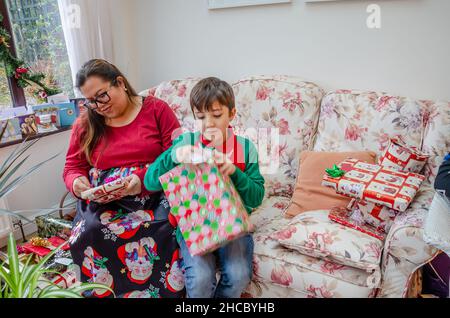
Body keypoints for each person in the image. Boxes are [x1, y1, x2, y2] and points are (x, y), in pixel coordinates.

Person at [63, 59, 184, 298]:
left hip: (153, 190)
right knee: (89, 230)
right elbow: (72, 166)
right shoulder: (86, 123)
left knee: (166, 225)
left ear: (120, 83)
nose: (98, 106)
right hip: (104, 199)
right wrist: (77, 182)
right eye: (91, 101)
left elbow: (176, 155)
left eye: (102, 96)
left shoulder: (156, 110)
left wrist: (141, 179)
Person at [144, 77, 265, 298]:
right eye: (200, 117)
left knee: (239, 275)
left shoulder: (245, 148)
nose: (208, 123)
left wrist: (235, 173)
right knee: (199, 279)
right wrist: (174, 155)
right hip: (194, 226)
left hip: (233, 226)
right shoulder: (186, 142)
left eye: (216, 115)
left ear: (232, 113)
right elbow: (150, 181)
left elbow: (257, 197)